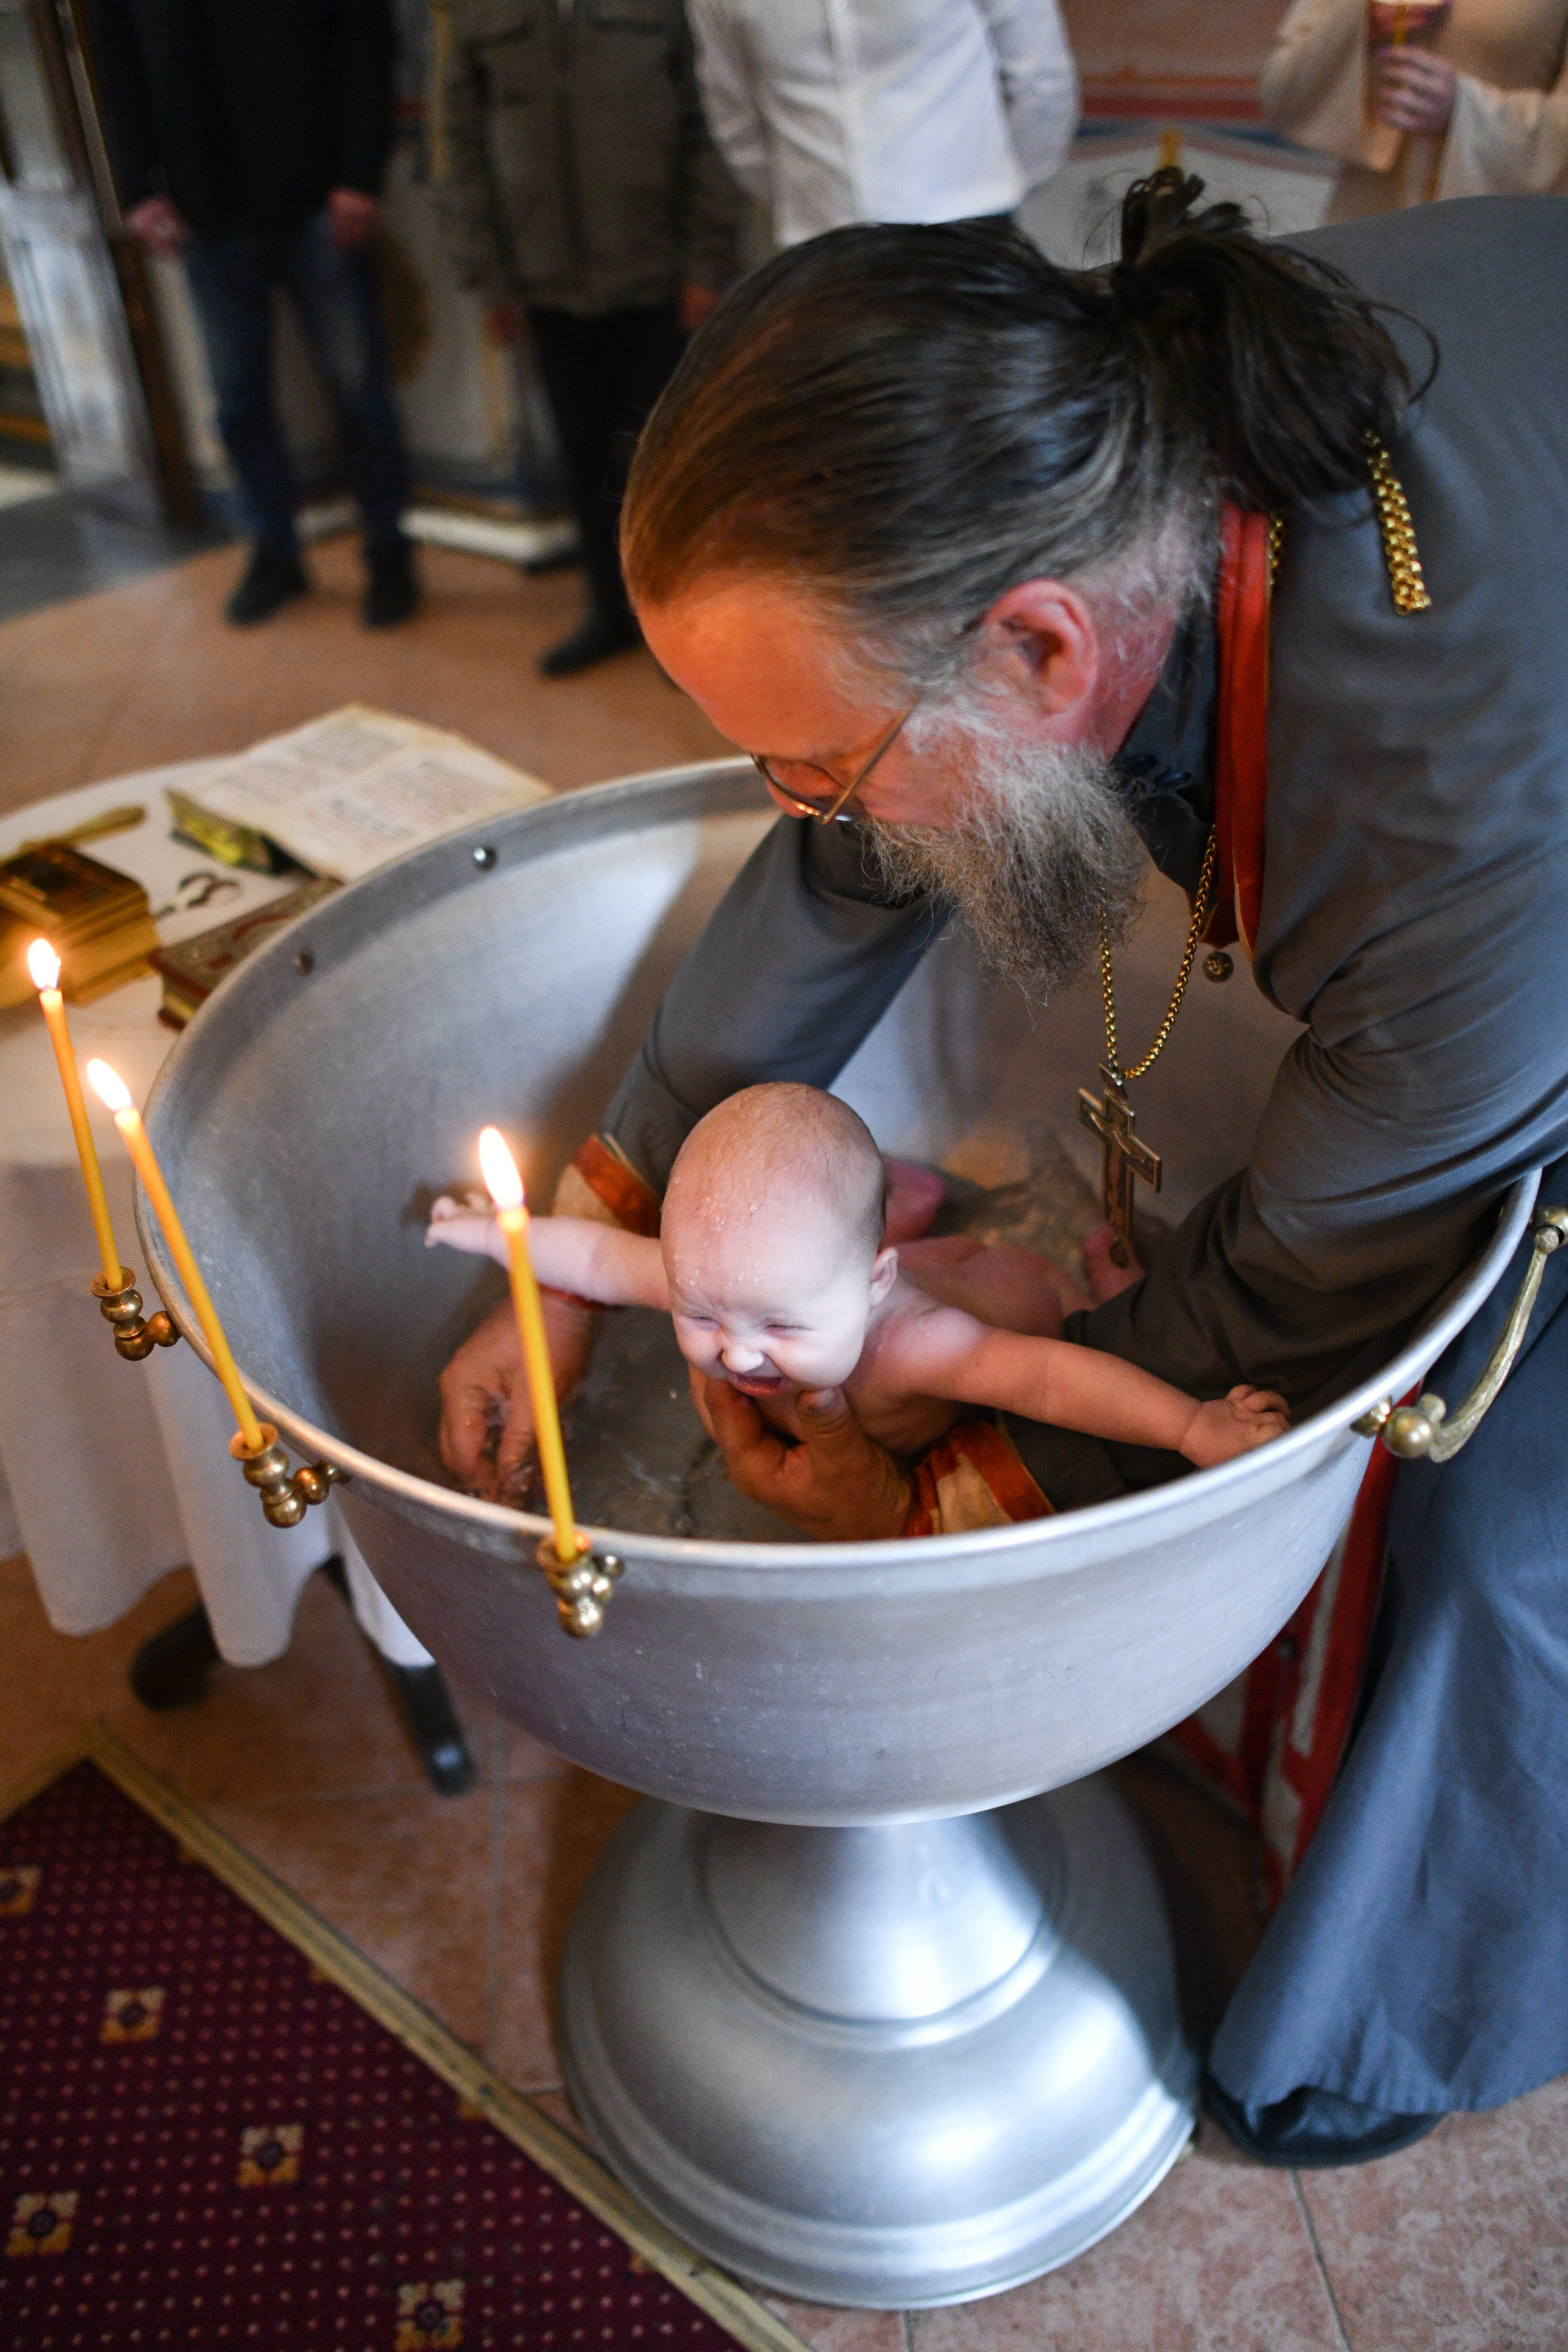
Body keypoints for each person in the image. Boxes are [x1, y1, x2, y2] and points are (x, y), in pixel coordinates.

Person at [437, 172, 1568, 2168]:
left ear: (1046, 655)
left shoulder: (1448, 817)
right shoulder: (1105, 444)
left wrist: (943, 1496)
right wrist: (603, 1211)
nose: (813, 814)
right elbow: (858, 851)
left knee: (1501, 1544)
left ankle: (1379, 2032)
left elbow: (1323, 1273)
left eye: (817, 759)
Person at [427, 1083, 1287, 1474]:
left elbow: (1057, 1380)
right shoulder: (730, 1286)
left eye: (781, 1327)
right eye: (700, 1314)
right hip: (896, 1270)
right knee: (814, 1258)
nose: (735, 1352)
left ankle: (1103, 1281)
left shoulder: (925, 1350)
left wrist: (1189, 1427)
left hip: (1017, 1296)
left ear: (874, 1284)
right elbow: (594, 1260)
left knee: (1080, 1317)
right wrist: (489, 1232)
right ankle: (904, 1205)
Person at [432, 0, 742, 679]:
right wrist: (489, 277)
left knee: (667, 466)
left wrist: (705, 262)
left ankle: (682, 628)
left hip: (657, 276)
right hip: (546, 283)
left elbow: (709, 125)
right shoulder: (481, 13)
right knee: (584, 460)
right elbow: (460, 143)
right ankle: (608, 610)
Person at [88, 0, 420, 629]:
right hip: (207, 209)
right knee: (237, 400)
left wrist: (360, 170)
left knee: (360, 394)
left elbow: (364, 41)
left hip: (320, 197)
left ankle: (389, 550)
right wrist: (137, 186)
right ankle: (275, 553)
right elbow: (119, 65)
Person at [688, 0, 1078, 247]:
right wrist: (807, 203)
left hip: (970, 236)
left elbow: (1043, 83)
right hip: (818, 255)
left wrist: (999, 187)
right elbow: (735, 121)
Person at [1261, 0, 1568, 219]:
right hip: (1364, 232)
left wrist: (1467, 111)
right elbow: (1282, 90)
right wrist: (1359, 24)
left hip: (1490, 241)